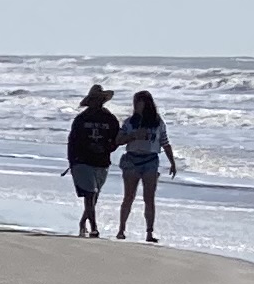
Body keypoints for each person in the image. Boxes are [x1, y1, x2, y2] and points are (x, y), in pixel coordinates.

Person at [116, 88, 176, 241]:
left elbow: (165, 142)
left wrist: (172, 162)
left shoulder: (157, 122)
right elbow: (118, 140)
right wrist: (133, 136)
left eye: (138, 102)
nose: (135, 105)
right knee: (129, 196)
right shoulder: (130, 122)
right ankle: (121, 229)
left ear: (147, 103)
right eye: (135, 102)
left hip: (150, 160)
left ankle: (149, 232)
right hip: (132, 160)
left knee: (149, 198)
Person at [63, 84, 122, 236]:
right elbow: (73, 141)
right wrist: (72, 163)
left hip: (102, 162)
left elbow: (116, 139)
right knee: (90, 194)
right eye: (95, 99)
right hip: (82, 161)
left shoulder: (109, 119)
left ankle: (83, 222)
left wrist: (107, 148)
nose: (98, 102)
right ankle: (94, 227)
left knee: (94, 196)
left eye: (100, 99)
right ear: (90, 100)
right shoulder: (81, 119)